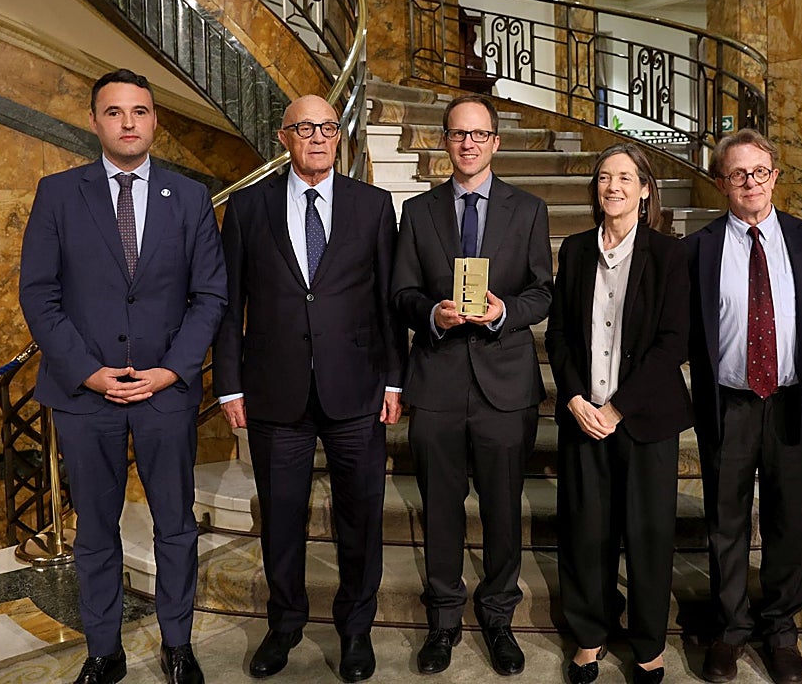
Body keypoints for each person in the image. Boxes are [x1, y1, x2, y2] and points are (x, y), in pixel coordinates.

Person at [19, 69, 227, 684]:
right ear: (94, 121)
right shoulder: (58, 194)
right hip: (86, 397)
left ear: (156, 121)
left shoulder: (189, 198)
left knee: (176, 525)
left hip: (165, 393)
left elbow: (210, 296)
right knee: (95, 532)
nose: (128, 122)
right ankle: (103, 652)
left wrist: (171, 370)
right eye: (115, 112)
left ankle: (178, 646)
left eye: (139, 111)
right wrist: (88, 373)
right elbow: (40, 295)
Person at [212, 95, 406, 683]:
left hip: (358, 390)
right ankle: (285, 623)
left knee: (360, 517)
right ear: (283, 137)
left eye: (327, 127)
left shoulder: (373, 206)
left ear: (339, 135)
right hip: (275, 393)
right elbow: (229, 305)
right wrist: (228, 385)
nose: (318, 137)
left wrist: (396, 378)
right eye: (304, 128)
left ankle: (355, 630)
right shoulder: (248, 208)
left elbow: (389, 303)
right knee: (282, 515)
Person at [391, 94, 552, 676]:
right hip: (436, 383)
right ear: (445, 140)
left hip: (505, 384)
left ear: (495, 143)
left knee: (504, 509)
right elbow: (402, 293)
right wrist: (433, 313)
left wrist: (505, 310)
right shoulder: (417, 211)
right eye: (458, 134)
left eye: (479, 134)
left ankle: (499, 615)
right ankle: (443, 619)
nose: (469, 144)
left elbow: (543, 291)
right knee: (440, 508)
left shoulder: (529, 209)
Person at [684, 129, 802, 684]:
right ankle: (729, 630)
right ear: (721, 181)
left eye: (759, 171)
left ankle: (779, 630)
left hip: (791, 398)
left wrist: (790, 362)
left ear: (775, 175)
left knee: (786, 519)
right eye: (736, 174)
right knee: (725, 521)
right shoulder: (698, 247)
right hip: (726, 403)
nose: (749, 183)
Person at [545, 143, 692, 684]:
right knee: (587, 532)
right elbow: (559, 332)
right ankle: (590, 635)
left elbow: (673, 343)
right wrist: (578, 398)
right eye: (605, 178)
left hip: (643, 420)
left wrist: (619, 407)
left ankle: (649, 642)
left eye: (625, 178)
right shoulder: (577, 249)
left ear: (645, 188)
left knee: (648, 534)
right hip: (585, 415)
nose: (613, 187)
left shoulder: (669, 254)